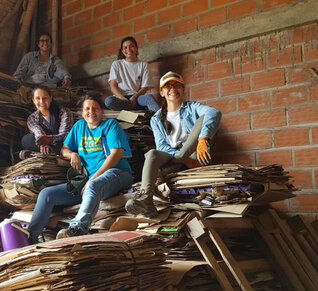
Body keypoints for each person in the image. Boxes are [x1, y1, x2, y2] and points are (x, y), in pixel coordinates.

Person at [27, 92, 133, 243]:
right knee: (47, 194)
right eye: (87, 109)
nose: (91, 112)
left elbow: (116, 155)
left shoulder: (110, 125)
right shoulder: (79, 127)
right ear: (82, 113)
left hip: (117, 173)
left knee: (93, 186)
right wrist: (73, 154)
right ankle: (31, 237)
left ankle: (77, 229)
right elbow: (64, 149)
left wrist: (93, 179)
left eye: (95, 108)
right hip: (88, 180)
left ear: (102, 111)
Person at [125, 71, 221, 217]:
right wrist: (177, 157)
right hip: (173, 159)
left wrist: (202, 139)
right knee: (152, 154)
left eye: (177, 85)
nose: (173, 89)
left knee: (203, 119)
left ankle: (180, 158)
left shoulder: (192, 107)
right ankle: (147, 201)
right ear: (162, 92)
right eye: (167, 86)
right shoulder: (156, 119)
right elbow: (161, 146)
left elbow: (214, 113)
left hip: (193, 155)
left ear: (183, 89)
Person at [104, 36, 158, 112]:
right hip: (121, 99)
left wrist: (135, 97)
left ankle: (160, 120)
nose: (128, 49)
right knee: (108, 101)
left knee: (149, 98)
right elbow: (112, 85)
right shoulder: (117, 64)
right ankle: (130, 107)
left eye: (131, 46)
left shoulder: (143, 65)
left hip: (136, 98)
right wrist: (122, 98)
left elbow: (145, 87)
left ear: (136, 48)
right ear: (122, 51)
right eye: (125, 47)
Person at [21, 86, 73, 155]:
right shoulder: (32, 118)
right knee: (27, 139)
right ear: (33, 100)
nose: (41, 101)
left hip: (61, 143)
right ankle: (50, 151)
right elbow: (38, 131)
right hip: (45, 146)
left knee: (68, 141)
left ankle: (56, 151)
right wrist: (42, 143)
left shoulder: (63, 112)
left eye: (45, 98)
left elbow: (65, 134)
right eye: (37, 98)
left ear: (50, 98)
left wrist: (50, 139)